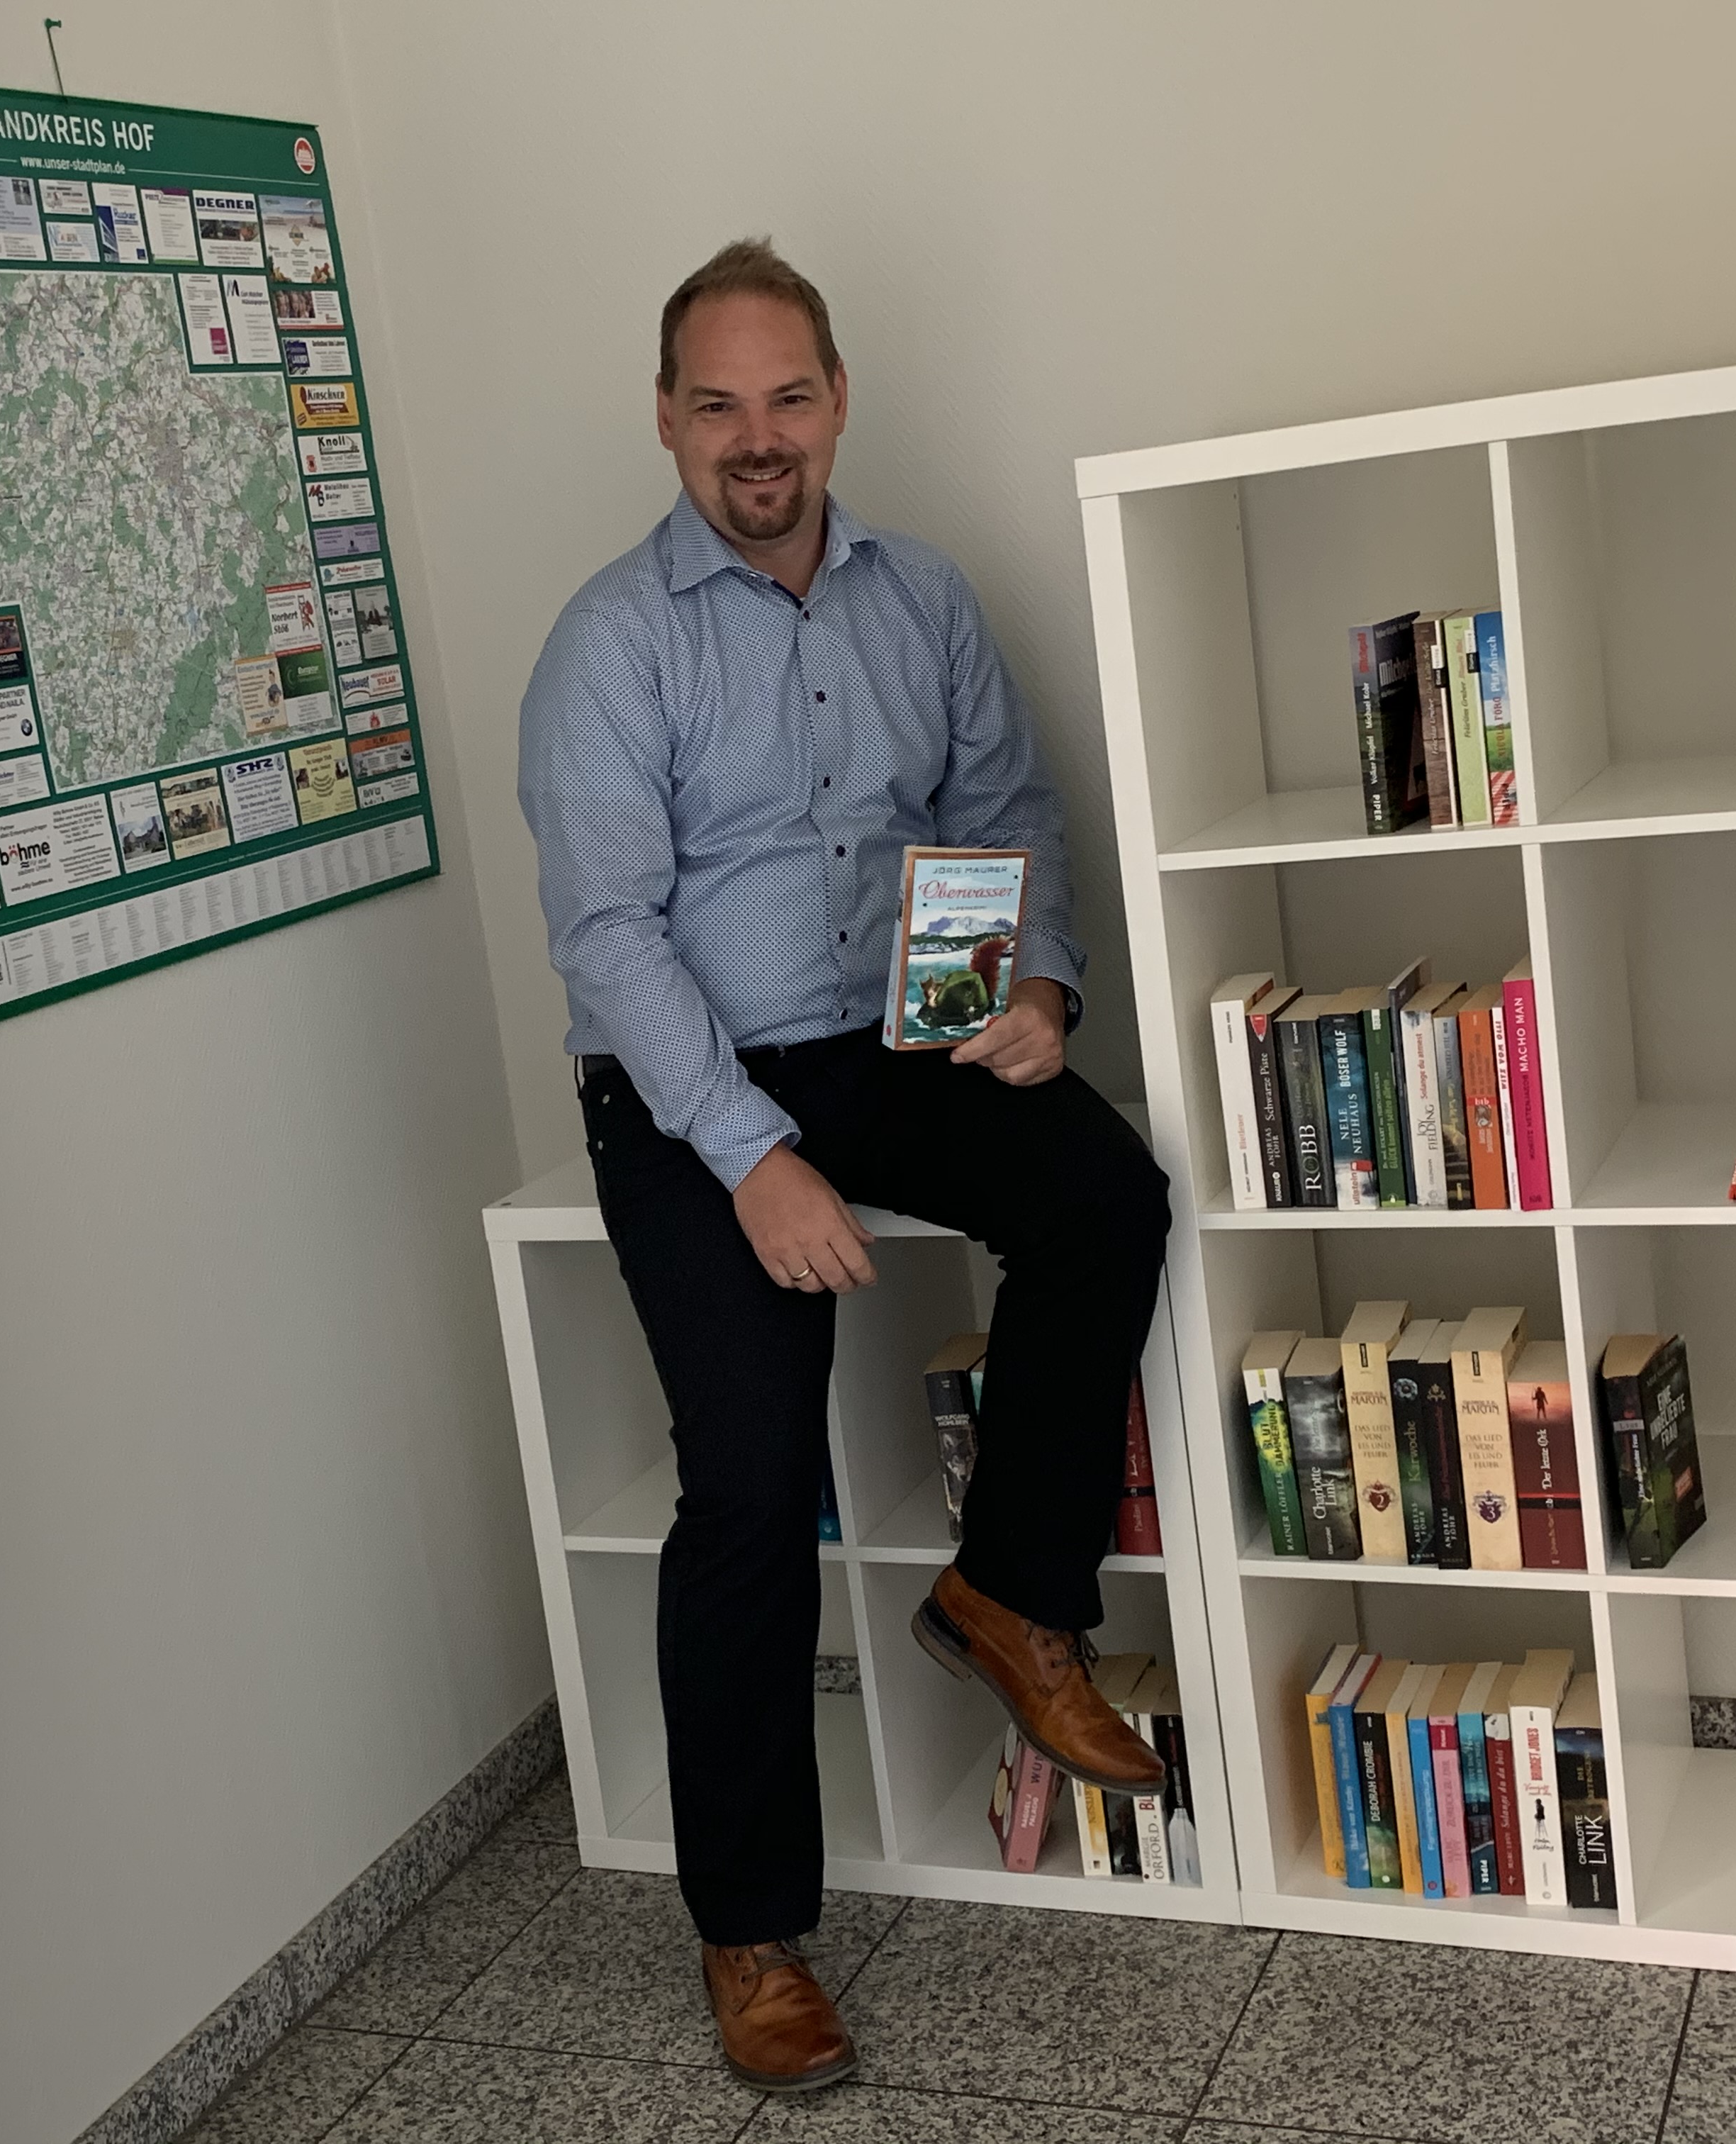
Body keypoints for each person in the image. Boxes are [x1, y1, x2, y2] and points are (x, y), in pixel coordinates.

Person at [519, 239, 1172, 2093]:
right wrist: (754, 1161)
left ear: (837, 402)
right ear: (666, 419)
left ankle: (1004, 1594)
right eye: (716, 404)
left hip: (892, 1033)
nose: (756, 438)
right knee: (747, 1480)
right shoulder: (611, 643)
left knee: (1102, 1193)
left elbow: (1001, 816)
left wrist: (1031, 991)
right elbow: (612, 940)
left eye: (787, 397)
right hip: (687, 1077)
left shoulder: (924, 598)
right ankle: (750, 1934)